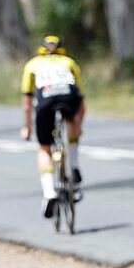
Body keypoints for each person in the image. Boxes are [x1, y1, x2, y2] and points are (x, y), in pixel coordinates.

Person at [20, 36, 86, 219]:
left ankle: (49, 193)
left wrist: (27, 128)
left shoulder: (32, 64)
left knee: (44, 148)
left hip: (45, 100)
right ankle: (74, 165)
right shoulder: (68, 62)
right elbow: (81, 99)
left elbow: (27, 103)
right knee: (72, 124)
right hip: (68, 97)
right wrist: (78, 125)